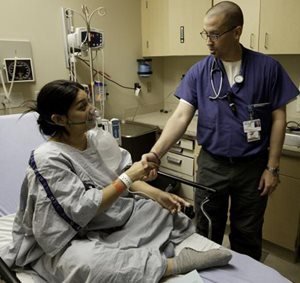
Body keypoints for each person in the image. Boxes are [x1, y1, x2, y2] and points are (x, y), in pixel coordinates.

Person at [0, 80, 231, 282]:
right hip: (65, 238)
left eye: (88, 102)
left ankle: (132, 252)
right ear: (59, 119)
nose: (92, 110)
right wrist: (130, 176)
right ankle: (172, 265)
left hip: (106, 220)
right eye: (82, 107)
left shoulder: (95, 139)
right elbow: (81, 209)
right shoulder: (48, 158)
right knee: (87, 264)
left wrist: (156, 194)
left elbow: (120, 173)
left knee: (161, 212)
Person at [142, 1, 299, 261]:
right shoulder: (199, 71)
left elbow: (279, 118)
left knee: (247, 232)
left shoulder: (268, 69)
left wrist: (273, 168)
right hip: (212, 164)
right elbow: (181, 115)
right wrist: (155, 154)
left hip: (252, 167)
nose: (208, 42)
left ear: (236, 32)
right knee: (206, 227)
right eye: (205, 34)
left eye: (215, 34)